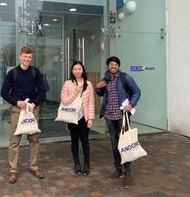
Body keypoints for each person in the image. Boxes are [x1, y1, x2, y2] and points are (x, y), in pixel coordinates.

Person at [1, 46, 46, 184]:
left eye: (29, 57)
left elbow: (42, 90)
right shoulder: (13, 73)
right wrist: (16, 102)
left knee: (34, 140)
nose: (27, 59)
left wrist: (34, 104)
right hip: (17, 111)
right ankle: (13, 170)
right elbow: (3, 92)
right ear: (20, 56)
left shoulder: (35, 72)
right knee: (14, 142)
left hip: (32, 110)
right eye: (25, 56)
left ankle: (34, 167)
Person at [96, 56, 141, 189]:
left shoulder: (125, 77)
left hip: (122, 115)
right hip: (109, 115)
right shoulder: (105, 78)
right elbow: (101, 94)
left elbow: (137, 92)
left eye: (115, 64)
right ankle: (118, 169)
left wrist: (131, 104)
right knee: (114, 143)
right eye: (111, 64)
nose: (113, 66)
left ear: (118, 66)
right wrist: (98, 88)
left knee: (125, 143)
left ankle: (127, 174)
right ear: (108, 66)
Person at [60, 61, 95, 175]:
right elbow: (64, 101)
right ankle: (77, 164)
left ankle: (87, 164)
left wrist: (90, 118)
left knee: (85, 141)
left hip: (84, 118)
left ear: (83, 70)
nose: (77, 71)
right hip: (72, 117)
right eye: (75, 69)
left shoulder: (88, 84)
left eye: (79, 69)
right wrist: (75, 92)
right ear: (72, 71)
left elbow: (91, 103)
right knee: (74, 141)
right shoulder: (67, 84)